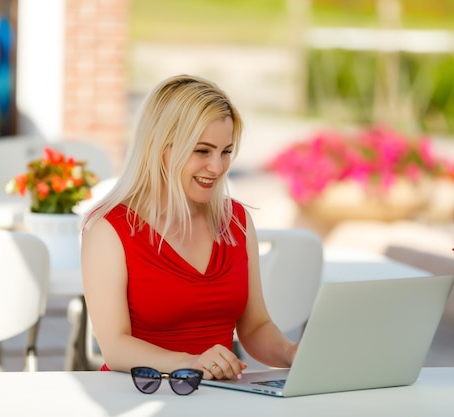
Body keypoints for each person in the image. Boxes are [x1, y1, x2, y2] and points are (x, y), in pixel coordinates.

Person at [81, 74, 298, 380]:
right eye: (202, 151)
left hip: (217, 398)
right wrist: (192, 362)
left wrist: (291, 352)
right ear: (161, 148)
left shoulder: (235, 221)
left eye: (225, 152)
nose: (218, 167)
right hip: (139, 395)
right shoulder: (108, 229)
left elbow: (255, 327)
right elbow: (115, 348)